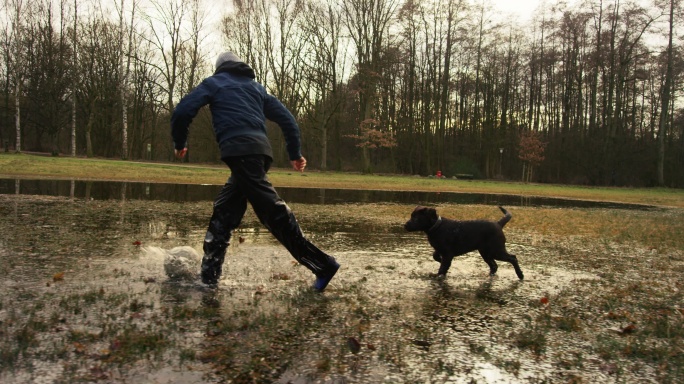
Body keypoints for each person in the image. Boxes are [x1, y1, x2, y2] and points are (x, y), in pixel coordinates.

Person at [170, 51, 340, 291]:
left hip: (240, 153)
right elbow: (288, 119)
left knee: (272, 212)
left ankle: (323, 264)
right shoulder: (256, 88)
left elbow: (182, 111)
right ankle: (208, 281)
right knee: (223, 215)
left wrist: (180, 143)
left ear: (219, 68)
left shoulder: (214, 83)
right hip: (260, 155)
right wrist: (295, 153)